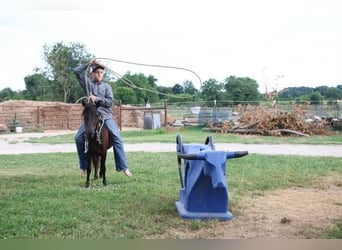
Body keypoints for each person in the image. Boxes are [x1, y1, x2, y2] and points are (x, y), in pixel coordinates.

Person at [73, 60, 132, 177]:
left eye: (101, 72)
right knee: (78, 138)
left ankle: (123, 167)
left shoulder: (107, 87)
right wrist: (89, 63)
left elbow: (110, 102)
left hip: (105, 116)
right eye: (97, 72)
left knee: (117, 137)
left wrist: (97, 98)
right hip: (91, 117)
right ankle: (84, 166)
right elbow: (76, 71)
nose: (99, 74)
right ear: (92, 74)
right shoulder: (88, 84)